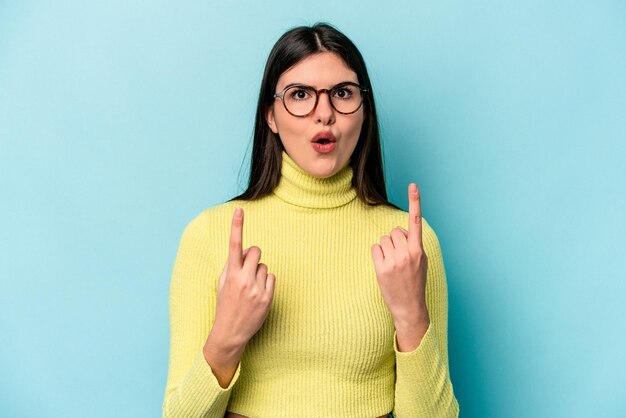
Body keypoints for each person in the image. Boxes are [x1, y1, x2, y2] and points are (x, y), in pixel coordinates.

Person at [162, 22, 460, 418]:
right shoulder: (209, 236)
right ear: (270, 115)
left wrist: (411, 316)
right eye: (300, 95)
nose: (325, 114)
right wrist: (226, 338)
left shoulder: (410, 245)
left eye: (342, 94)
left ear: (364, 111)